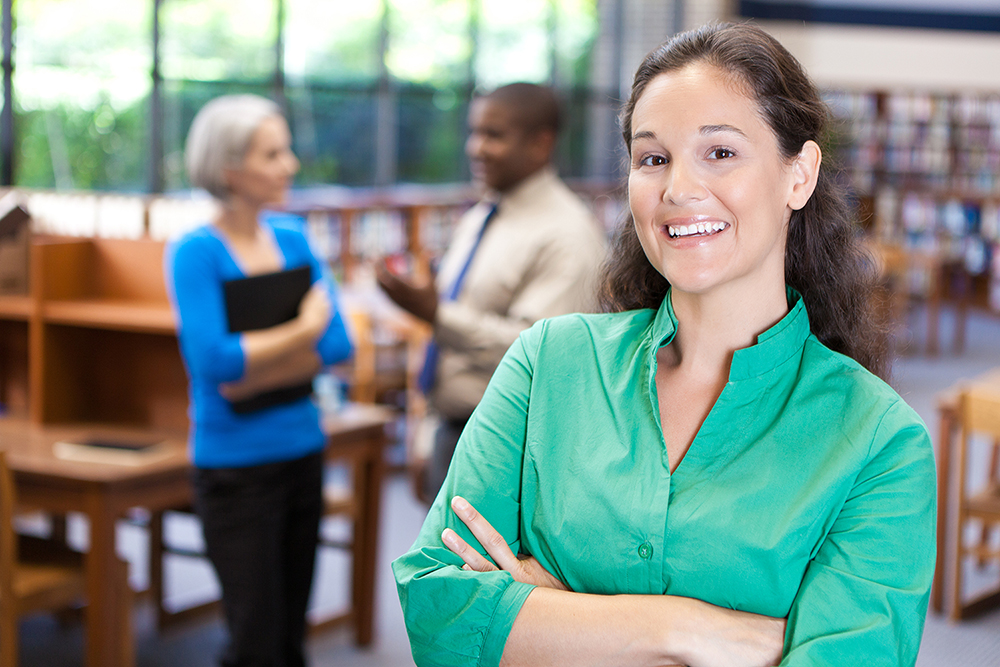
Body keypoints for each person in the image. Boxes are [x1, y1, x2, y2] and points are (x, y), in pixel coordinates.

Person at [393, 22, 936, 667]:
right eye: (653, 158)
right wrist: (692, 631)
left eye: (721, 153)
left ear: (800, 174)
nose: (677, 189)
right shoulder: (548, 363)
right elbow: (439, 613)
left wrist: (554, 617)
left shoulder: (881, 444)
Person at [165, 94, 353, 667]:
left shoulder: (293, 238)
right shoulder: (195, 253)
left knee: (292, 636)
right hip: (235, 473)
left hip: (303, 453)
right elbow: (216, 366)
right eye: (273, 153)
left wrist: (258, 366)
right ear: (230, 170)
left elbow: (339, 345)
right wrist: (300, 333)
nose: (290, 164)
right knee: (254, 639)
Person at [377, 82, 606, 502]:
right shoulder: (485, 213)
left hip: (510, 448)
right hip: (453, 429)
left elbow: (538, 352)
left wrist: (436, 315)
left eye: (494, 135)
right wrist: (427, 432)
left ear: (541, 144)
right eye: (474, 132)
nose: (475, 148)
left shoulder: (567, 234)